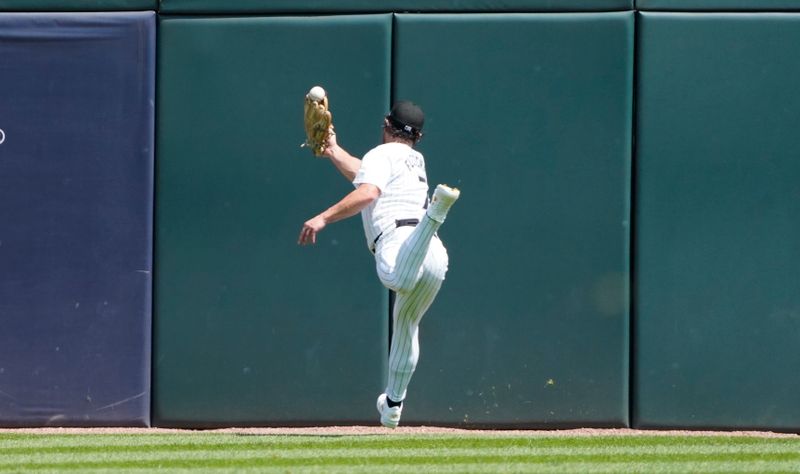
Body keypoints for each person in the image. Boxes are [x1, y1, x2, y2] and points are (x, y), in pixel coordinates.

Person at [297, 101, 460, 428]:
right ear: (418, 136)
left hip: (400, 244)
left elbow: (368, 192)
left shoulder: (380, 154)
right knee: (406, 325)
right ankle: (393, 404)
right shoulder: (414, 159)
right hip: (433, 255)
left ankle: (436, 214)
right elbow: (364, 174)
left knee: (395, 278)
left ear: (386, 124)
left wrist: (323, 217)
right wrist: (332, 150)